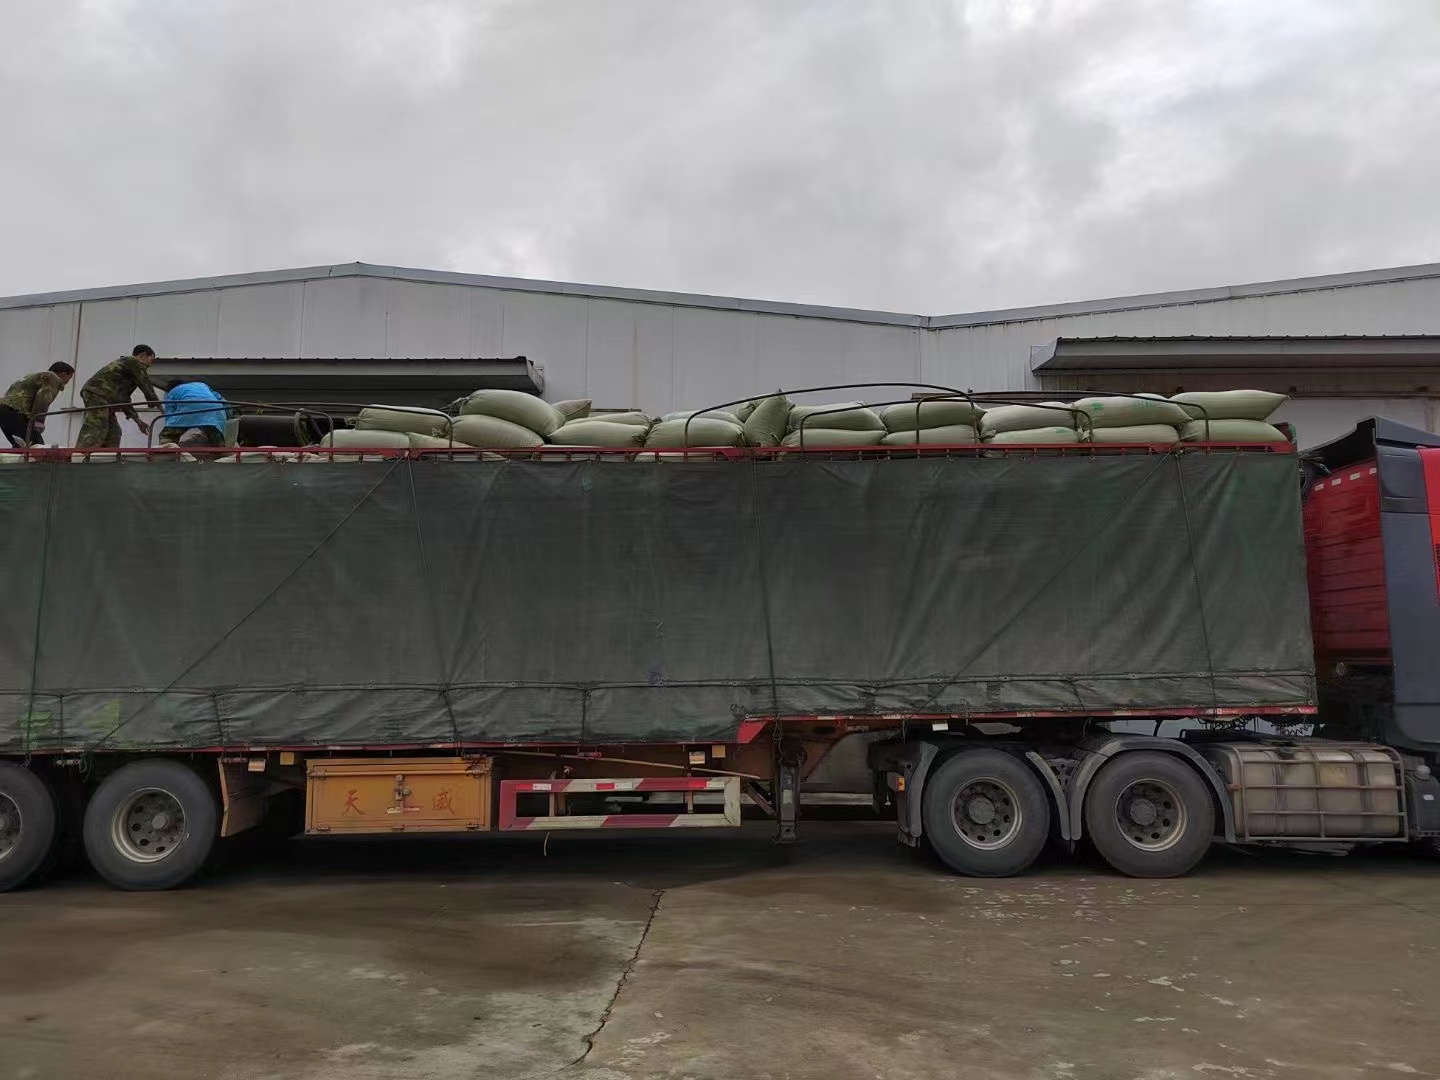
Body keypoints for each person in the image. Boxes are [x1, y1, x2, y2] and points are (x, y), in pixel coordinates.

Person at [76, 345, 161, 449]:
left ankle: (107, 454)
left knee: (115, 431)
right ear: (143, 355)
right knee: (97, 425)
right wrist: (158, 404)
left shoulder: (128, 373)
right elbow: (145, 384)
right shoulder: (133, 361)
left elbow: (124, 398)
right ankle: (82, 452)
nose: (150, 365)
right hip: (98, 392)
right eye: (151, 360)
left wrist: (138, 421)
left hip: (107, 398)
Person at [0, 362, 75, 447]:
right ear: (64, 374)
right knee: (37, 446)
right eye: (69, 378)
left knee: (21, 445)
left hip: (4, 410)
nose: (67, 382)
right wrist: (38, 421)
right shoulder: (53, 378)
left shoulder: (31, 378)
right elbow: (43, 399)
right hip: (15, 412)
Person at [158, 381, 230, 449]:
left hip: (190, 406)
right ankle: (220, 451)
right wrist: (228, 416)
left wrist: (169, 427)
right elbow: (222, 400)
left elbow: (169, 414)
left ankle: (168, 452)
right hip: (214, 410)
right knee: (214, 435)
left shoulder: (172, 392)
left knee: (167, 435)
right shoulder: (202, 385)